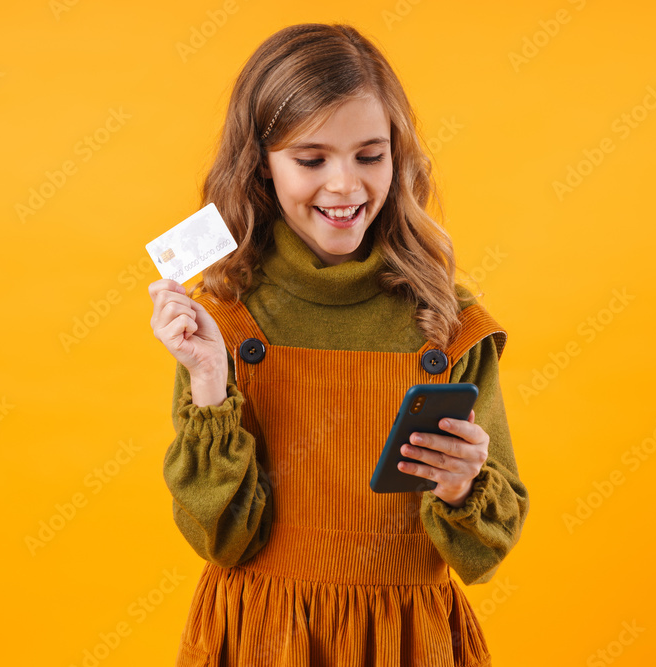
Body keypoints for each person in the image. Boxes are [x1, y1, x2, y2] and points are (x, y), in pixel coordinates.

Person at [148, 22, 530, 667]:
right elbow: (222, 541)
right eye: (311, 158)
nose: (346, 186)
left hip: (406, 639)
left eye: (370, 155)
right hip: (262, 640)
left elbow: (483, 552)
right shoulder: (222, 319)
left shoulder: (448, 322)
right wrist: (212, 382)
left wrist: (463, 486)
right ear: (261, 166)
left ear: (398, 157)